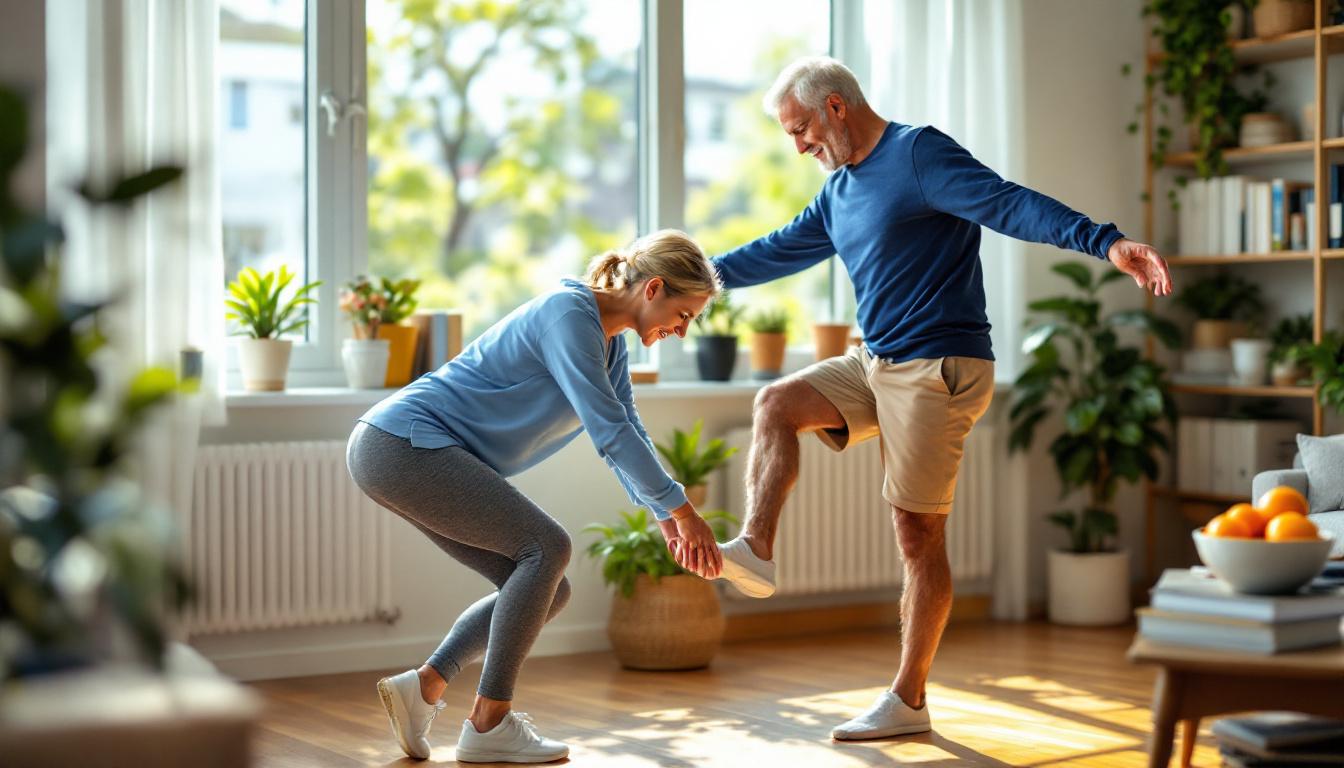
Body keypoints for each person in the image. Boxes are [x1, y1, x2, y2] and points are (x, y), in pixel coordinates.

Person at [710, 56, 1172, 741]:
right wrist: (684, 276)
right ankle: (756, 547)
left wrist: (1104, 241)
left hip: (939, 366)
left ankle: (908, 698)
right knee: (776, 403)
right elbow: (773, 251)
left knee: (916, 534)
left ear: (836, 106)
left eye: (802, 128)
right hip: (876, 361)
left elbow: (1010, 202)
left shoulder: (918, 153)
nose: (798, 145)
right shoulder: (838, 191)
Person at [347, 229, 724, 763]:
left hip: (399, 449)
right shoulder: (569, 316)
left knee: (549, 586)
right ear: (654, 288)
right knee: (546, 546)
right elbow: (609, 433)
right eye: (683, 315)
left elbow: (627, 430)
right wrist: (685, 510)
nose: (682, 331)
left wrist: (667, 516)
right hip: (403, 443)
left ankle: (425, 686)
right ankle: (488, 723)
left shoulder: (608, 341)